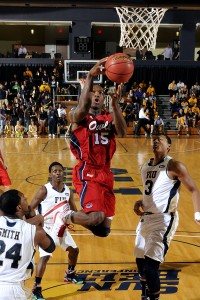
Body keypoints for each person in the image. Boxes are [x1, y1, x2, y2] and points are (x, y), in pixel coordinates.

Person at [53, 57, 127, 238]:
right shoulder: (78, 117)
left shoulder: (109, 117)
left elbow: (122, 132)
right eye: (93, 92)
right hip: (87, 171)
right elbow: (82, 107)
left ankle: (80, 215)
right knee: (97, 216)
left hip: (106, 172)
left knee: (104, 229)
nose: (96, 95)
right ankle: (63, 216)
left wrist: (115, 106)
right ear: (87, 95)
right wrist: (90, 76)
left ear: (103, 98)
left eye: (100, 93)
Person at [133, 135, 200, 300]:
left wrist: (198, 213)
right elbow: (152, 193)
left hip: (163, 220)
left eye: (161, 139)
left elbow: (194, 189)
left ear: (169, 147)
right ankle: (145, 295)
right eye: (154, 139)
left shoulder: (174, 165)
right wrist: (140, 201)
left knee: (150, 267)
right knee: (140, 262)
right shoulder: (145, 167)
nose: (156, 141)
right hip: (146, 219)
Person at [29, 161, 83, 300]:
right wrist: (34, 224)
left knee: (74, 250)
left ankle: (70, 274)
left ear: (63, 173)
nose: (58, 173)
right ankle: (36, 287)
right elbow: (30, 208)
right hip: (46, 229)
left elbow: (74, 210)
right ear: (50, 174)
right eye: (55, 171)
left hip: (61, 226)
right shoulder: (44, 190)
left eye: (60, 171)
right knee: (45, 257)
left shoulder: (67, 191)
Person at [0, 189, 55, 300]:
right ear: (19, 207)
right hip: (13, 290)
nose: (26, 199)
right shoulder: (35, 231)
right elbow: (50, 246)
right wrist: (36, 219)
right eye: (24, 198)